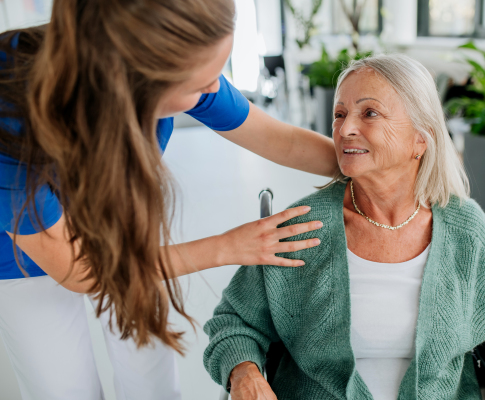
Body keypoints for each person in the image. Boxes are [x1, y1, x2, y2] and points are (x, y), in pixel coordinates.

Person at [0, 1, 335, 399]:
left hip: (119, 214)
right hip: (23, 250)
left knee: (151, 378)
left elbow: (285, 141)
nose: (215, 89)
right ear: (134, 80)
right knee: (63, 389)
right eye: (201, 84)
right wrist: (230, 246)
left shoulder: (184, 66)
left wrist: (373, 165)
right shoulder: (10, 115)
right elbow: (83, 272)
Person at [203, 54, 485, 400]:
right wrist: (244, 372)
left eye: (370, 113)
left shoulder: (464, 229)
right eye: (339, 114)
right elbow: (234, 322)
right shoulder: (301, 227)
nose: (345, 129)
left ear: (420, 140)